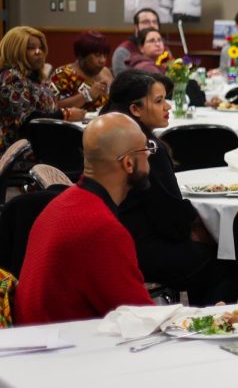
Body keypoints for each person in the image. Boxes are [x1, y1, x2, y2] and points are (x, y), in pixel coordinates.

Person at [101, 71, 238, 305]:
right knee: (226, 261)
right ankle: (210, 326)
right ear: (135, 109)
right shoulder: (146, 149)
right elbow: (169, 216)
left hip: (113, 245)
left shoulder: (106, 136)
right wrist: (200, 230)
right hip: (142, 251)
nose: (167, 106)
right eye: (158, 101)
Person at [14, 113, 155, 324]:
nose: (150, 155)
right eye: (146, 149)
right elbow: (142, 319)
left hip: (37, 340)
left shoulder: (61, 204)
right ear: (128, 164)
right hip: (68, 351)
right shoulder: (101, 229)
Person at [0, 26, 85, 151]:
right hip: (23, 153)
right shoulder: (11, 77)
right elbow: (27, 121)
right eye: (30, 48)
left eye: (40, 48)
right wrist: (66, 114)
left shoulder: (36, 77)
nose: (38, 52)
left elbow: (47, 110)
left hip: (44, 145)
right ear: (15, 50)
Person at [50, 31, 113, 112]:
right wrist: (87, 95)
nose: (102, 60)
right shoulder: (63, 74)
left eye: (105, 56)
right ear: (81, 55)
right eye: (97, 55)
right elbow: (52, 106)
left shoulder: (106, 72)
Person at [112, 8, 161, 76]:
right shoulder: (123, 51)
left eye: (155, 22)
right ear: (136, 27)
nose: (152, 25)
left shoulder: (162, 47)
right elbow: (122, 82)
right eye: (146, 22)